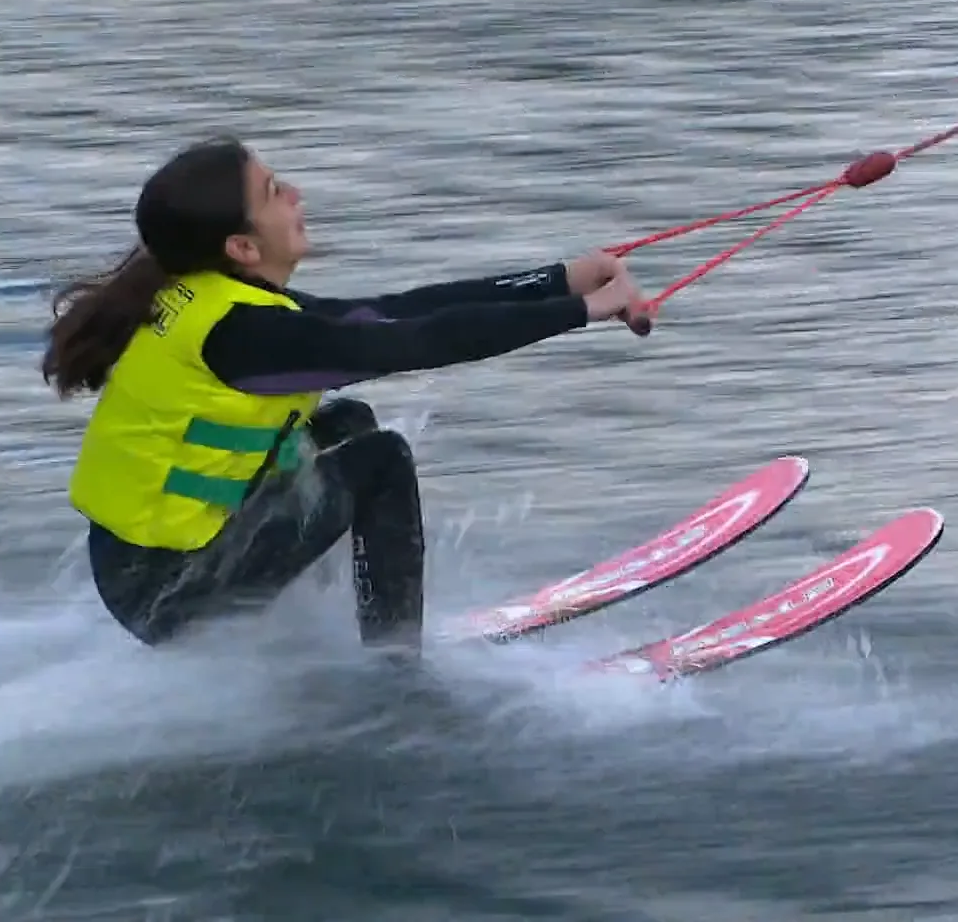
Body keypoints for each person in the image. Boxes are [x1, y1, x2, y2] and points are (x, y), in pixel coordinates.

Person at [42, 136, 655, 657]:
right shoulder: (246, 334)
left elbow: (392, 314)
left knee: (348, 426)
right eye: (273, 191)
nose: (295, 196)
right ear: (243, 248)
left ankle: (321, 628)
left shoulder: (212, 295)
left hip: (145, 570)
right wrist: (583, 311)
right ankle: (394, 669)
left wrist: (556, 282)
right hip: (169, 592)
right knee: (379, 462)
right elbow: (421, 341)